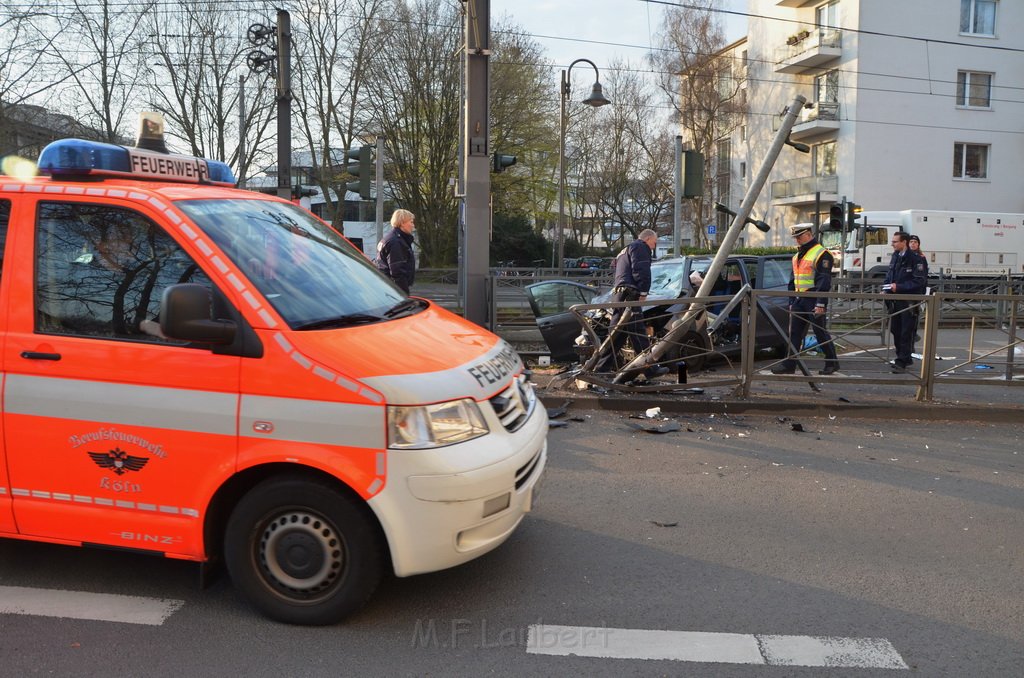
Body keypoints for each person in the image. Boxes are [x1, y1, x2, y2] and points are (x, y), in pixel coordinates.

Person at [595, 229, 670, 378]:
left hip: (619, 294)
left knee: (617, 335)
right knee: (638, 331)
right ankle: (650, 369)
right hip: (630, 293)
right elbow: (641, 270)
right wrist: (643, 292)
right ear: (647, 238)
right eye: (654, 243)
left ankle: (600, 369)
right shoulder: (641, 246)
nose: (654, 247)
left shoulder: (624, 251)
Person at [772, 223, 840, 375]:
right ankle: (789, 365)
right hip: (799, 299)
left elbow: (824, 281)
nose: (797, 240)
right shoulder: (797, 255)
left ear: (809, 235)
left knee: (820, 332)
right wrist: (791, 301)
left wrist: (820, 303)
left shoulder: (822, 253)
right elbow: (793, 280)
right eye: (795, 237)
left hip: (813, 298)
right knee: (794, 333)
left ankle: (832, 362)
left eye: (799, 237)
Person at [883, 232, 928, 373]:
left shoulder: (916, 259)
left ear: (904, 242)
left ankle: (902, 361)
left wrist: (900, 287)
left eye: (895, 241)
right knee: (895, 329)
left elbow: (919, 281)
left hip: (909, 300)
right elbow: (890, 275)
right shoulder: (896, 256)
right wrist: (886, 288)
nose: (893, 244)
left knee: (905, 332)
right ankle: (903, 357)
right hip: (895, 299)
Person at [376, 209, 416, 293]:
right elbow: (397, 272)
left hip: (386, 285)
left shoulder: (392, 238)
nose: (413, 225)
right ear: (402, 223)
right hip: (392, 288)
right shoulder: (396, 242)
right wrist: (403, 295)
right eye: (411, 222)